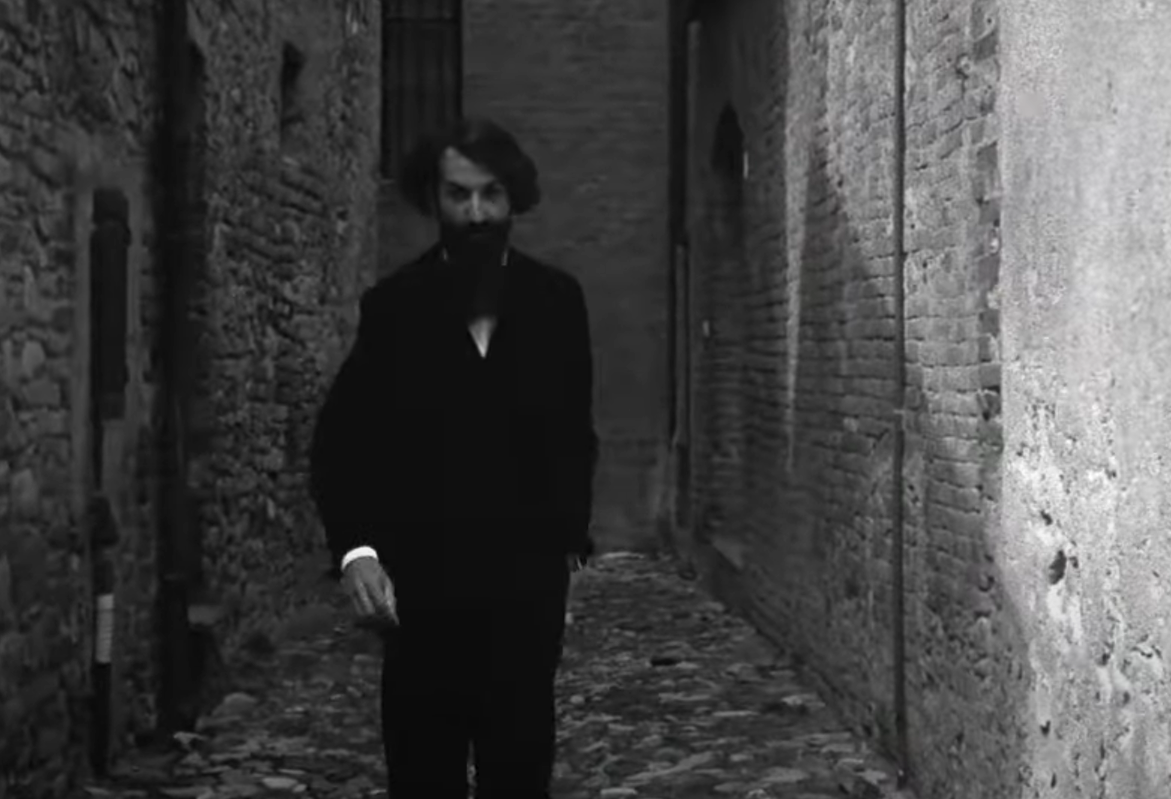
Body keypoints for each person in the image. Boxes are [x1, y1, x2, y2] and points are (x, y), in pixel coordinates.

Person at [308, 117, 600, 799]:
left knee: (518, 774)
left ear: (512, 197)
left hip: (523, 598)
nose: (475, 214)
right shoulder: (393, 308)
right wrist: (357, 551)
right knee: (423, 775)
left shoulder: (558, 302)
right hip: (423, 601)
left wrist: (565, 545)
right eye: (458, 195)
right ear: (432, 200)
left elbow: (572, 434)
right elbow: (342, 441)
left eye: (490, 194)